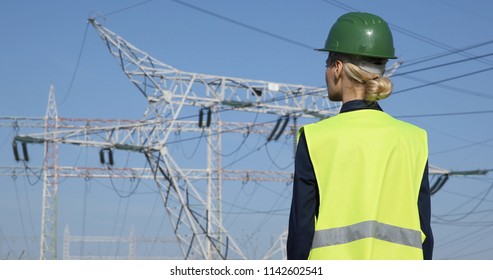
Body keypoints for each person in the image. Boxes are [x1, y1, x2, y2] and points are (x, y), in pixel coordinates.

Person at [287, 12, 433, 260]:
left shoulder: (315, 138)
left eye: (327, 64)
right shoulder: (414, 139)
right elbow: (424, 234)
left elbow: (301, 233)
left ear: (338, 68)